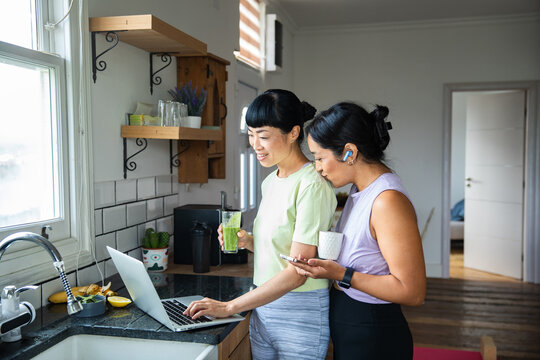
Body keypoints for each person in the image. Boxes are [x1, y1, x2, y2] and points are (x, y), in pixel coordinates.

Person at [184, 89, 337, 360]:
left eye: (263, 136)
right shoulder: (271, 181)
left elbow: (298, 271)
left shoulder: (312, 184)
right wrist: (249, 241)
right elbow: (283, 247)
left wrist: (229, 306)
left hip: (299, 312)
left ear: (293, 133)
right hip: (263, 305)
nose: (255, 144)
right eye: (251, 134)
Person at [291, 102, 426, 359]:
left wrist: (341, 273)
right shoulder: (359, 190)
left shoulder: (387, 201)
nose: (317, 168)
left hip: (374, 335)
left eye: (319, 157)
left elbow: (412, 291)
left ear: (349, 152)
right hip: (354, 326)